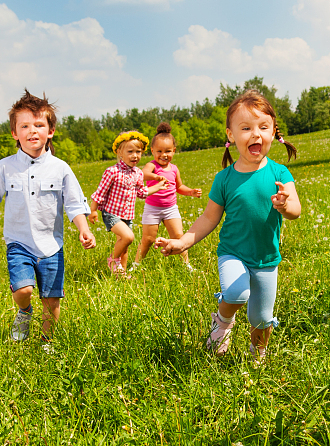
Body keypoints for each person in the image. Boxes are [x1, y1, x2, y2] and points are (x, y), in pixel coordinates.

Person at [158, 90, 300, 362]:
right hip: (233, 252)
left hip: (267, 258)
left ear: (273, 132)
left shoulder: (279, 173)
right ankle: (223, 321)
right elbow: (209, 218)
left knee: (262, 318)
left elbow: (296, 210)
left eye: (263, 127)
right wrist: (183, 242)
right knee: (237, 292)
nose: (255, 134)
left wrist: (285, 206)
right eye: (245, 128)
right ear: (231, 135)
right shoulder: (224, 179)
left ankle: (258, 356)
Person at [0, 89, 96, 345]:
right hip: (18, 243)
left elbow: (74, 204)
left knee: (52, 301)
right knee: (24, 289)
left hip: (52, 246)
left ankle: (47, 343)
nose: (32, 131)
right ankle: (24, 311)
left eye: (39, 125)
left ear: (50, 131)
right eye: (25, 126)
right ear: (14, 133)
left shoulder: (60, 168)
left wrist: (84, 229)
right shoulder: (5, 167)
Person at [88, 131, 165, 277]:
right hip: (111, 213)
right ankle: (112, 260)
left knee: (125, 246)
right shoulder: (112, 171)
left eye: (138, 152)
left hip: (127, 215)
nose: (135, 155)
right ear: (120, 152)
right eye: (130, 152)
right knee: (128, 237)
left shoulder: (138, 173)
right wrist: (93, 211)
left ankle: (120, 274)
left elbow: (141, 192)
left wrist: (158, 187)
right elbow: (100, 193)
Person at [133, 121, 203, 271]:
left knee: (178, 236)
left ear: (174, 151)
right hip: (152, 208)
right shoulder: (152, 166)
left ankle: (186, 265)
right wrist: (156, 176)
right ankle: (136, 265)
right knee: (148, 239)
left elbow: (179, 187)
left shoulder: (174, 169)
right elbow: (143, 174)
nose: (164, 155)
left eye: (168, 151)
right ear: (152, 151)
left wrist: (190, 192)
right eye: (159, 151)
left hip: (171, 208)